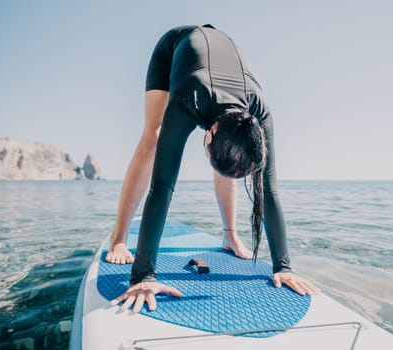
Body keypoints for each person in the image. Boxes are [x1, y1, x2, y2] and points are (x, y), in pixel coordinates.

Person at [108, 24, 320, 313]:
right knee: (153, 137)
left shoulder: (259, 115)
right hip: (174, 50)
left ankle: (230, 234)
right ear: (208, 135)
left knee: (232, 156)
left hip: (224, 65)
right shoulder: (186, 101)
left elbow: (268, 191)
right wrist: (143, 275)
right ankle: (118, 238)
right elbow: (161, 188)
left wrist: (283, 266)